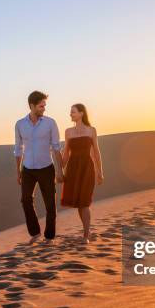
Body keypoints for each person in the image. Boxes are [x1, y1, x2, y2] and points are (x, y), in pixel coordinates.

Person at [14, 91, 64, 244]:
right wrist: (18, 171)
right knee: (25, 199)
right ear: (32, 106)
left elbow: (56, 147)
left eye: (44, 106)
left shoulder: (50, 123)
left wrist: (60, 170)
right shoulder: (20, 124)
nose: (44, 108)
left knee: (50, 203)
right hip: (28, 169)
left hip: (46, 168)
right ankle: (35, 232)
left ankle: (49, 237)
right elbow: (18, 149)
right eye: (41, 106)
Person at [60, 103, 104, 243]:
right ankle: (86, 232)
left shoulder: (91, 130)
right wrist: (59, 170)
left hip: (87, 168)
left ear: (81, 113)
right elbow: (66, 153)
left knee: (84, 202)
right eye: (70, 112)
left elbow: (96, 152)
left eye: (73, 112)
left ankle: (86, 234)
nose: (70, 114)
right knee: (79, 203)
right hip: (73, 169)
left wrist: (100, 172)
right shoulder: (68, 132)